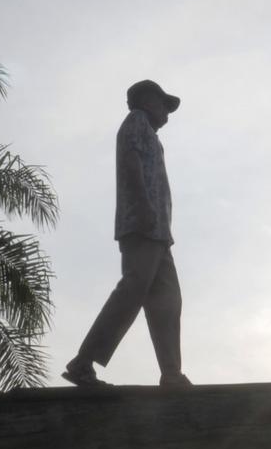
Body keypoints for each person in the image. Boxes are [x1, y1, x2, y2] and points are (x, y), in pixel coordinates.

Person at [62, 79, 192, 388]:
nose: (166, 113)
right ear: (146, 101)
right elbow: (131, 163)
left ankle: (171, 372)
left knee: (168, 299)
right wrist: (144, 206)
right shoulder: (136, 122)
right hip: (142, 225)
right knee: (133, 290)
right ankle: (83, 362)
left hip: (159, 233)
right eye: (162, 104)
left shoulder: (151, 135)